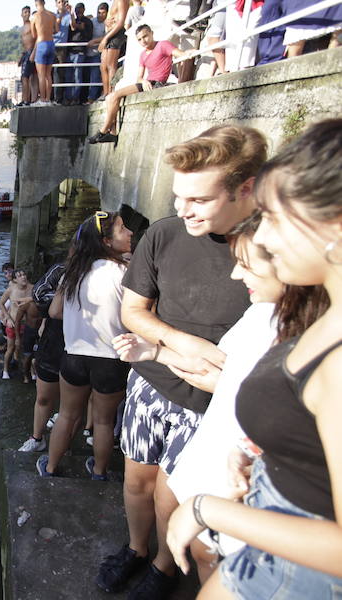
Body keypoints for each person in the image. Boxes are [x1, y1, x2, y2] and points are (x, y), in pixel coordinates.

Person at [166, 119, 342, 599]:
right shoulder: (317, 313)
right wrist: (269, 457)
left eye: (275, 217)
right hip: (269, 545)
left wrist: (207, 509)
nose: (261, 237)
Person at [95, 125, 266, 598]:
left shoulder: (268, 253)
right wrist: (182, 345)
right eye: (177, 196)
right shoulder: (165, 235)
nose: (181, 209)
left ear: (245, 188)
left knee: (172, 495)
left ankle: (165, 568)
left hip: (208, 405)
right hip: (151, 381)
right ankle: (135, 548)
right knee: (136, 481)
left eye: (198, 199)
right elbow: (133, 311)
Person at [114, 213, 326, 583]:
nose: (235, 274)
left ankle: (162, 570)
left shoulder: (315, 348)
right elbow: (231, 383)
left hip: (256, 527)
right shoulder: (261, 318)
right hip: (232, 489)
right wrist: (156, 353)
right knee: (198, 546)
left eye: (245, 263)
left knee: (199, 543)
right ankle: (144, 554)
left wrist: (203, 510)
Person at [37, 211, 133, 480]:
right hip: (111, 359)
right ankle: (99, 472)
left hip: (75, 355)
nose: (130, 233)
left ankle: (52, 467)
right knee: (103, 420)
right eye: (123, 229)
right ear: (106, 241)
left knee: (67, 415)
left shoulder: (74, 272)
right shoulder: (125, 272)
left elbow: (54, 312)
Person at [88, 26, 186, 144]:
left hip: (157, 83)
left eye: (145, 36)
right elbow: (139, 77)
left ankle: (102, 131)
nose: (143, 41)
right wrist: (144, 81)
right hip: (147, 83)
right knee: (110, 97)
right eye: (139, 39)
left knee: (113, 96)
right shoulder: (143, 54)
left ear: (151, 33)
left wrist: (187, 55)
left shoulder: (163, 45)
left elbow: (179, 54)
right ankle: (112, 133)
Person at [18, 259, 67, 453]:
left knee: (72, 405)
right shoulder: (61, 270)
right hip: (53, 343)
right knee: (43, 396)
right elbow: (40, 297)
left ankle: (65, 443)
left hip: (84, 348)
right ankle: (37, 437)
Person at [0, 269, 33, 380]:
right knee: (11, 348)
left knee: (27, 349)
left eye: (24, 274)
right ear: (14, 280)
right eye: (19, 276)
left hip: (27, 324)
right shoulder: (11, 290)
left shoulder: (32, 288)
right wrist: (7, 317)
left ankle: (30, 372)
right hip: (13, 324)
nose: (23, 277)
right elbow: (0, 303)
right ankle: (5, 371)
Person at [98, 0, 128, 97]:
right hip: (111, 32)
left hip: (116, 33)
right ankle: (106, 93)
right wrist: (106, 22)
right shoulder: (114, 2)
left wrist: (105, 38)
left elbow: (120, 23)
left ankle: (111, 92)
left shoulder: (122, 1)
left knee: (111, 65)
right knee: (103, 66)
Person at [32, 0, 58, 104]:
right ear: (44, 3)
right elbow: (56, 30)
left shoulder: (35, 16)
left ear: (36, 4)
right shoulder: (52, 15)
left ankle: (42, 99)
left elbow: (34, 35)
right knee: (48, 74)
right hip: (51, 43)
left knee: (41, 75)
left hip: (41, 43)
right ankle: (48, 98)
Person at [66, 3, 93, 105]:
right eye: (77, 10)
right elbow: (72, 28)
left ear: (84, 9)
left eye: (80, 9)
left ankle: (76, 97)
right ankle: (68, 97)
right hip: (70, 51)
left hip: (80, 51)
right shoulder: (72, 20)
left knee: (78, 76)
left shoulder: (88, 22)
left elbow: (89, 36)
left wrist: (82, 29)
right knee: (69, 76)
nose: (78, 11)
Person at [85, 3, 109, 101]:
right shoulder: (92, 21)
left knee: (95, 75)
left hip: (98, 53)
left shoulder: (107, 24)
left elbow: (107, 37)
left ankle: (91, 98)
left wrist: (95, 41)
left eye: (103, 13)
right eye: (99, 13)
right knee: (85, 75)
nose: (101, 15)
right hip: (87, 52)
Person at [18, 5, 39, 106]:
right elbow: (23, 43)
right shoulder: (22, 28)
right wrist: (21, 56)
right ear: (21, 14)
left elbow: (38, 38)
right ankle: (26, 99)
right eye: (25, 12)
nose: (27, 14)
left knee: (25, 77)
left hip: (31, 52)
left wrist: (34, 52)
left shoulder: (32, 25)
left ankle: (26, 99)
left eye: (28, 12)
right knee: (27, 77)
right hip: (26, 53)